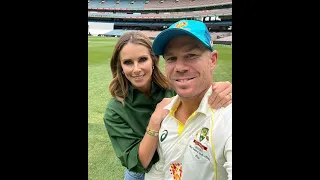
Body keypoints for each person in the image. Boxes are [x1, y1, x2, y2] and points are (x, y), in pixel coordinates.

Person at [103, 31, 232, 180]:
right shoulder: (115, 110)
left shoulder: (174, 86)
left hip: (177, 161)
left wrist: (222, 89)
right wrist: (155, 120)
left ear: (153, 61)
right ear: (120, 67)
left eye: (142, 59)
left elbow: (199, 86)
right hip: (140, 173)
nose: (136, 69)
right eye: (128, 62)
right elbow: (139, 163)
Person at [145, 20, 232, 180]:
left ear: (212, 60)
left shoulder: (227, 117)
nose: (180, 67)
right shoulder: (166, 113)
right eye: (171, 58)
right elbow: (160, 169)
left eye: (191, 55)